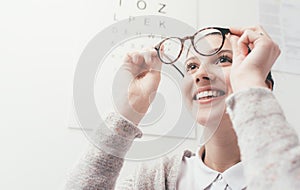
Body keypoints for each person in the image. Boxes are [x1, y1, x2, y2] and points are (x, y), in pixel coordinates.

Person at [65, 26, 300, 189]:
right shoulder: (152, 180)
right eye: (191, 66)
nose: (201, 75)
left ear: (263, 86)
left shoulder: (288, 166)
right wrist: (129, 111)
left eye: (223, 60)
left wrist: (250, 84)